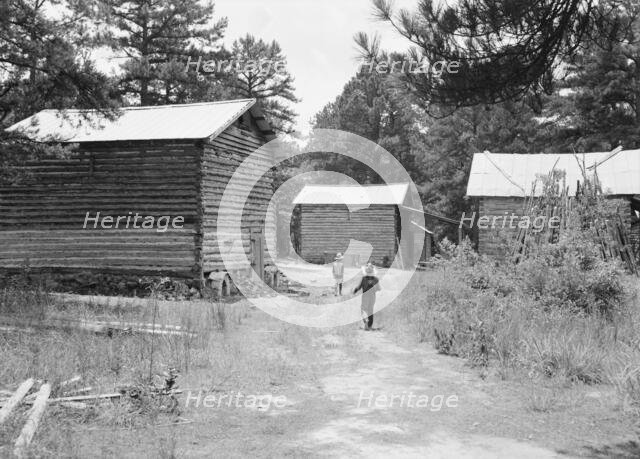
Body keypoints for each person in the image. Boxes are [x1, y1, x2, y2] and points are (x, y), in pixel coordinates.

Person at [353, 263, 381, 330]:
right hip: (372, 296)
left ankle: (366, 321)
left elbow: (359, 287)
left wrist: (355, 290)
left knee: (364, 309)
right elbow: (379, 288)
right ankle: (369, 326)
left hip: (365, 295)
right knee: (370, 310)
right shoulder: (376, 279)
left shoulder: (364, 278)